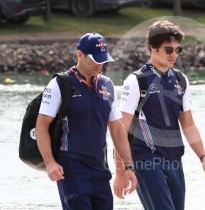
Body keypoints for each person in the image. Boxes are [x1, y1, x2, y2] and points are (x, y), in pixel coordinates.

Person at [114, 19, 205, 209]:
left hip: (174, 160)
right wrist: (121, 172)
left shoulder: (180, 80)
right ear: (152, 48)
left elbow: (189, 125)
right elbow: (120, 129)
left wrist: (204, 159)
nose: (174, 55)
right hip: (146, 161)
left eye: (177, 50)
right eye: (168, 50)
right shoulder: (136, 81)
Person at [36, 33, 137, 210]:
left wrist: (128, 166)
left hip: (100, 169)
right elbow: (41, 125)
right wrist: (50, 162)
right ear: (80, 54)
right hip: (72, 169)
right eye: (95, 60)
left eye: (103, 60)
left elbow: (117, 129)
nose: (100, 65)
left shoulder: (107, 85)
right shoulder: (60, 84)